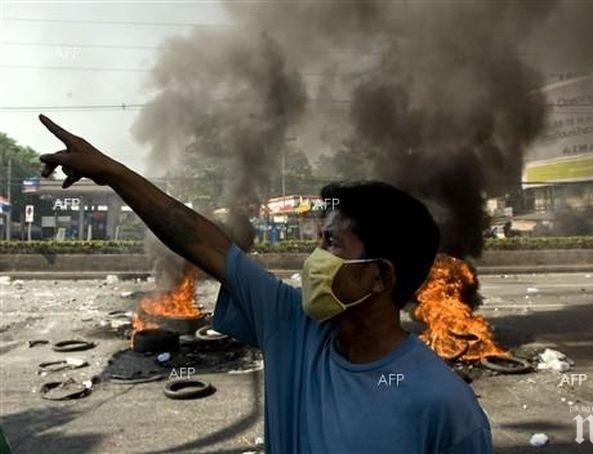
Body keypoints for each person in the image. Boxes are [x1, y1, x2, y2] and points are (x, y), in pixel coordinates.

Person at [38, 114, 493, 453]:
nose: (315, 259)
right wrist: (113, 172)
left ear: (380, 276)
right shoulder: (292, 326)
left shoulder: (444, 407)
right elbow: (201, 239)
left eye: (332, 243)